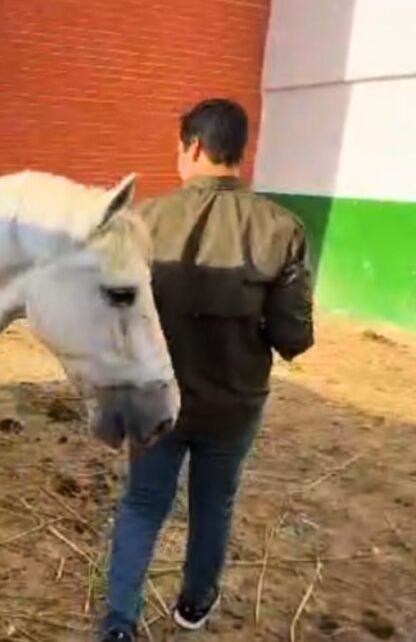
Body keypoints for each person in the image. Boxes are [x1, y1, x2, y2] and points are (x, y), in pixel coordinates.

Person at [99, 98, 315, 641]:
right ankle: (195, 604)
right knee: (214, 504)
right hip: (233, 404)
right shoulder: (281, 228)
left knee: (143, 504)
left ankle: (120, 623)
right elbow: (294, 337)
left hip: (156, 400)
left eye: (179, 147)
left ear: (193, 147)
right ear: (241, 150)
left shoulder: (142, 222)